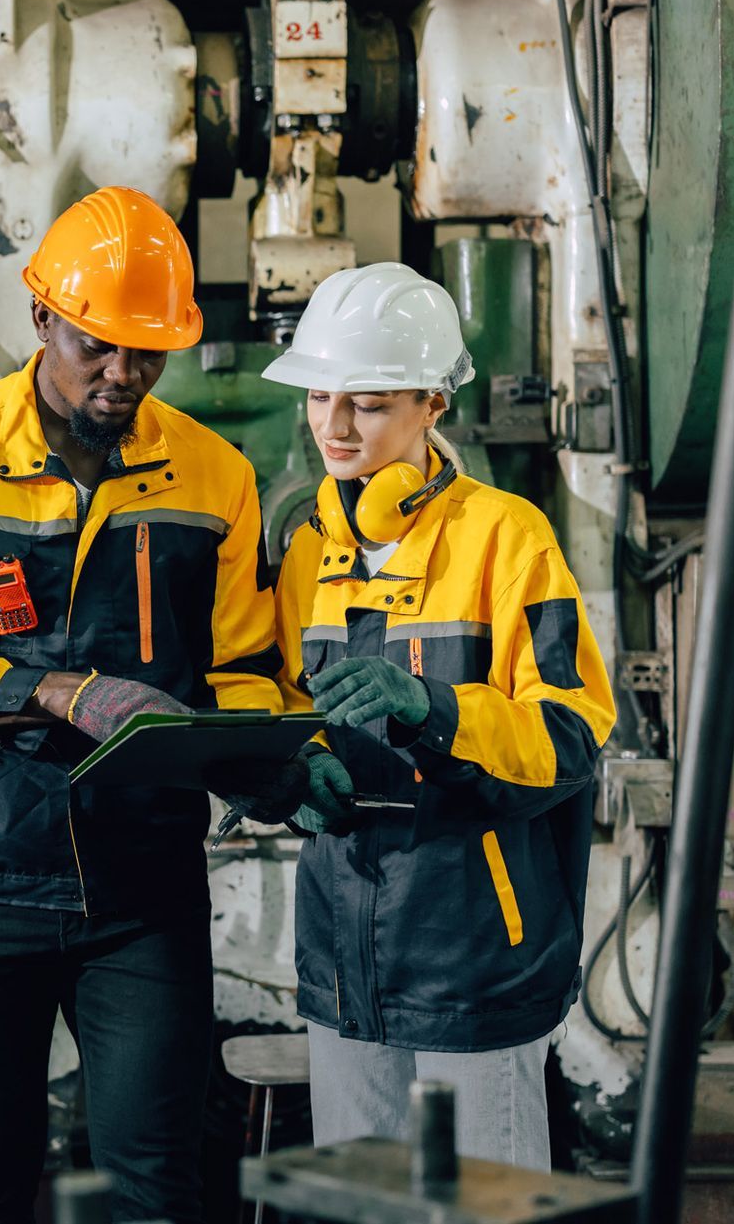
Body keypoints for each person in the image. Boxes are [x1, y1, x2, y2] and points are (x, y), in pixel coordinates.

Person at [0, 185, 295, 1223]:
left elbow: (236, 667)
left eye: (147, 353)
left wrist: (252, 749)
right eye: (98, 345)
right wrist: (51, 691)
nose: (122, 374)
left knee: (158, 1191)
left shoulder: (213, 473)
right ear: (40, 314)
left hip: (143, 894)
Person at [264, 262, 618, 1170]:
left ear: (434, 404)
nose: (335, 427)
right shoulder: (306, 551)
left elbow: (573, 735)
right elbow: (280, 709)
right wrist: (289, 777)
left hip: (475, 955)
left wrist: (436, 708)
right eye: (320, 396)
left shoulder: (507, 537)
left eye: (370, 404)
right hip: (344, 962)